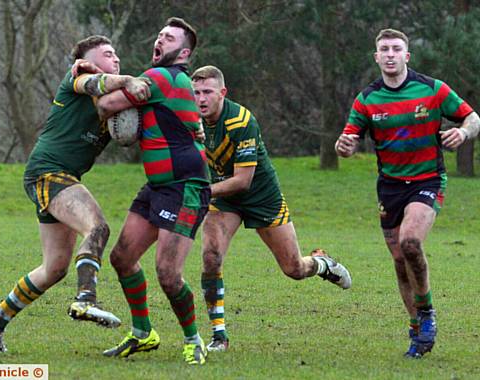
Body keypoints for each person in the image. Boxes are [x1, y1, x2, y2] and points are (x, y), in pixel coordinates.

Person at [0, 35, 151, 353]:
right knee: (98, 227)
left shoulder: (116, 99)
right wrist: (126, 79)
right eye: (108, 54)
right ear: (89, 60)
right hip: (48, 172)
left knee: (55, 267)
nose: (117, 59)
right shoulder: (79, 77)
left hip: (62, 177)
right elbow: (96, 84)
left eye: (117, 55)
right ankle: (85, 300)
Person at [335, 29, 479, 359]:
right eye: (384, 49)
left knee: (410, 242)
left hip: (427, 181)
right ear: (376, 57)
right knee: (401, 262)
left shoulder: (432, 89)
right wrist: (342, 146)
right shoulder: (367, 99)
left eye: (396, 48)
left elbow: (473, 118)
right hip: (389, 187)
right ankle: (417, 328)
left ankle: (427, 315)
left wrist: (462, 132)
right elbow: (347, 141)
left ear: (406, 55)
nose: (390, 54)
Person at [190, 65, 352, 352]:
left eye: (207, 92)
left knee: (294, 269)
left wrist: (201, 191)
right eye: (196, 92)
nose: (201, 98)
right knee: (211, 257)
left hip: (261, 195)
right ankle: (219, 336)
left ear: (222, 93)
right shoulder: (192, 119)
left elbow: (242, 181)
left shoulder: (241, 121)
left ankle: (323, 263)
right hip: (224, 198)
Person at [94, 17, 210, 365]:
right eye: (159, 34)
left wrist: (108, 88)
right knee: (122, 259)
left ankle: (194, 340)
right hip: (158, 186)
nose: (160, 39)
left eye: (169, 37)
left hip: (186, 187)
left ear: (183, 52)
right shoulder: (163, 80)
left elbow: (105, 105)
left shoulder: (165, 76)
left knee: (168, 274)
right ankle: (143, 333)